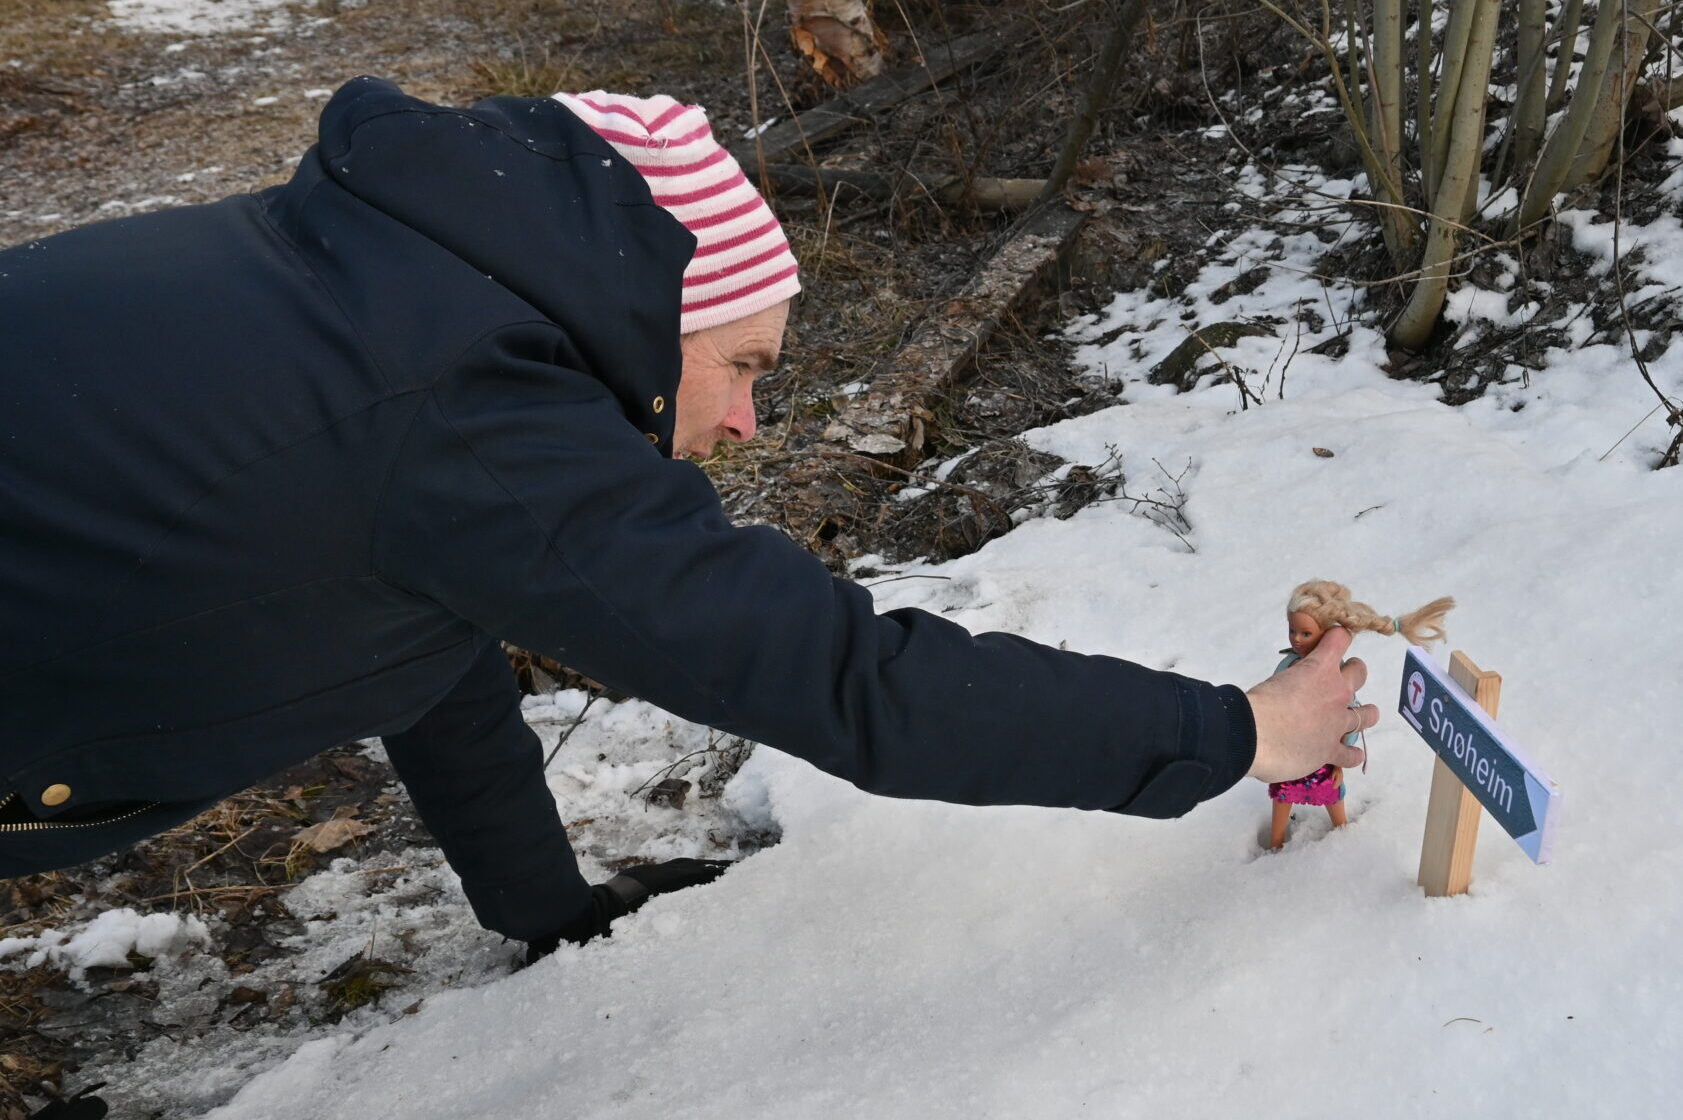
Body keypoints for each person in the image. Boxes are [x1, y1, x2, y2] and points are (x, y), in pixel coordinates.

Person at [0, 77, 1369, 962]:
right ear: (652, 313)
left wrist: (547, 915)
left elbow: (432, 651)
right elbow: (851, 684)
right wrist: (1238, 732)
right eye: (746, 367)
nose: (743, 425)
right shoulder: (471, 414)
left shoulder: (381, 291)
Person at [1263, 580, 1454, 850]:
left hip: (1323, 753)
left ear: (1326, 635)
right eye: (1292, 630)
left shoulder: (1336, 676)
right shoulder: (1286, 666)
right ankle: (1275, 840)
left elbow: (1347, 718)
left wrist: (1339, 757)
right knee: (1283, 795)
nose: (1295, 638)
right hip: (1290, 753)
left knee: (1331, 792)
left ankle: (1342, 829)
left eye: (1305, 633)